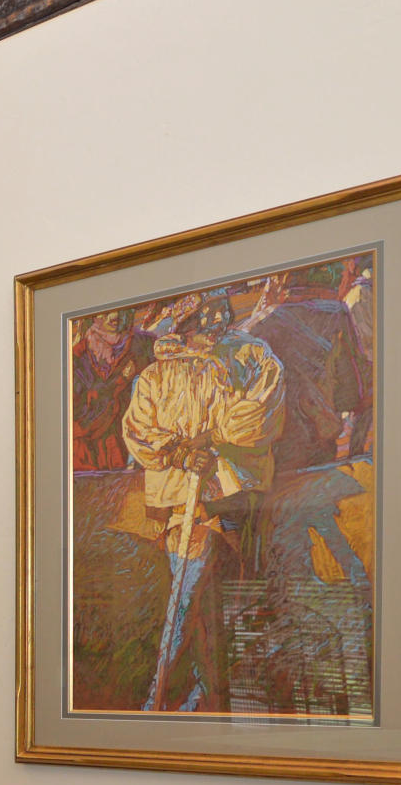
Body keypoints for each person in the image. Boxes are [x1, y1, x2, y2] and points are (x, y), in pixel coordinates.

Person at [119, 289, 287, 711]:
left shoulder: (251, 355)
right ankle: (193, 696)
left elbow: (261, 413)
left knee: (208, 594)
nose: (213, 323)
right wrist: (178, 453)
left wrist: (214, 436)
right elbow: (138, 430)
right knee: (196, 595)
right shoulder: (156, 376)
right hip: (178, 501)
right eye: (202, 316)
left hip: (232, 495)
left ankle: (174, 697)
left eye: (218, 313)